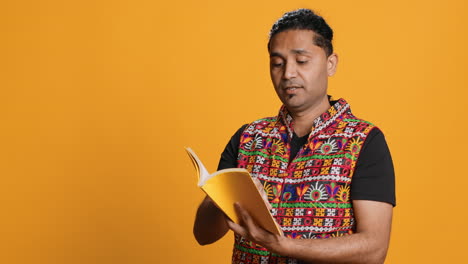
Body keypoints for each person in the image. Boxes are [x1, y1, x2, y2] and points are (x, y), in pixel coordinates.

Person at [193, 8, 395, 264]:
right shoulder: (248, 137)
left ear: (330, 64)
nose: (288, 74)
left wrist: (286, 246)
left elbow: (373, 249)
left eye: (301, 61)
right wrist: (223, 195)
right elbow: (203, 235)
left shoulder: (364, 140)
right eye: (277, 63)